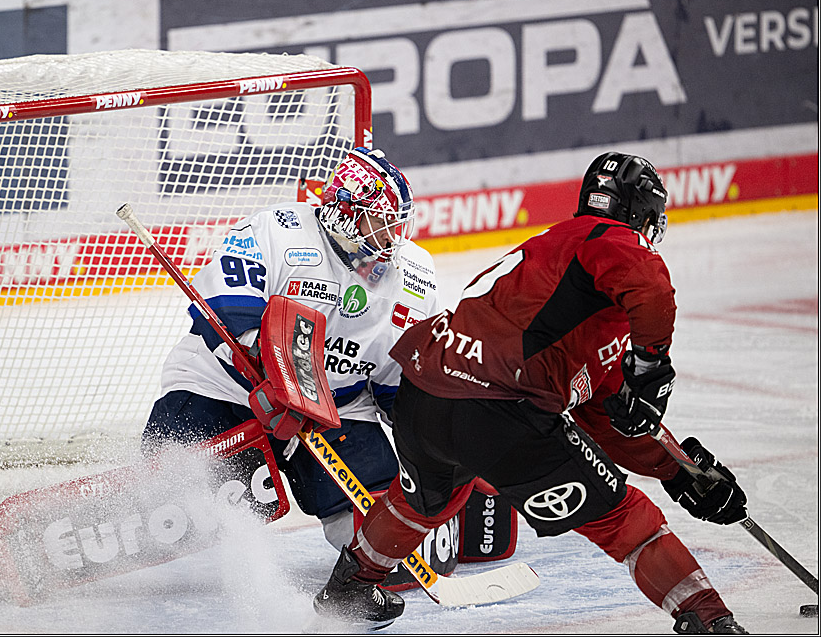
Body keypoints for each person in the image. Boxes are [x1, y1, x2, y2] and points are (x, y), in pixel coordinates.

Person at [312, 152, 750, 634]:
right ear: (641, 215)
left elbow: (605, 413)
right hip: (499, 407)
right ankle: (710, 621)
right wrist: (651, 366)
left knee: (426, 501)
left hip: (426, 392)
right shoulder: (611, 240)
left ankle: (350, 589)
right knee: (623, 516)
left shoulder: (553, 260)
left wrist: (677, 468)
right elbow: (651, 291)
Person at [141, 146, 440, 551]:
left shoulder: (414, 275)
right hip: (229, 388)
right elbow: (228, 305)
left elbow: (401, 386)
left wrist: (437, 438)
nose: (391, 237)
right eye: (380, 222)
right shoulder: (278, 230)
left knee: (392, 539)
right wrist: (272, 373)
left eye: (396, 225)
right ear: (346, 212)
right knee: (165, 510)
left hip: (337, 409)